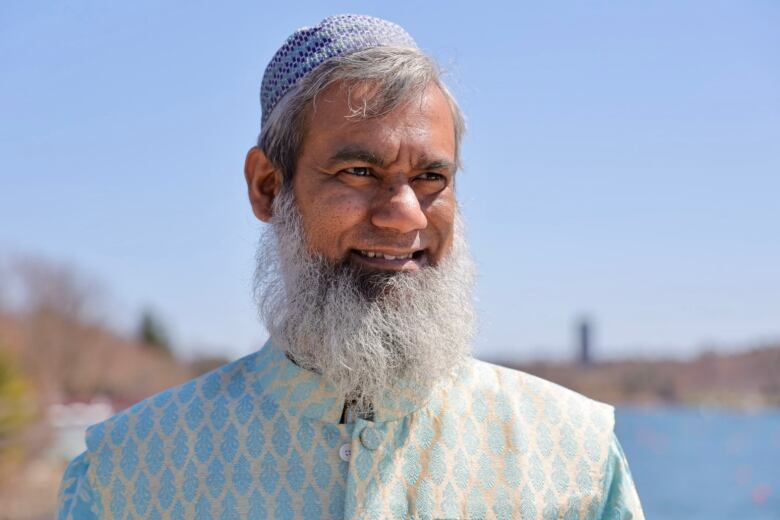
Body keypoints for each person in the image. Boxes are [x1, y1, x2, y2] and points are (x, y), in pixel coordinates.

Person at [57, 14, 644, 519]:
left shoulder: (572, 456)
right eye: (359, 172)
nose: (405, 215)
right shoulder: (131, 474)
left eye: (431, 178)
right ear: (267, 187)